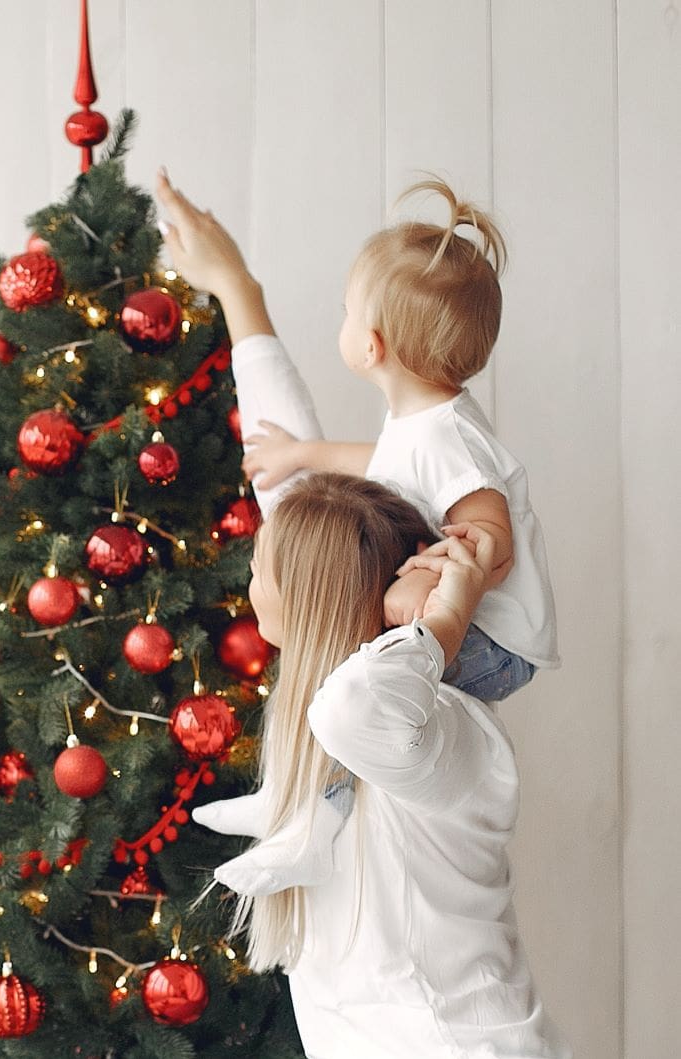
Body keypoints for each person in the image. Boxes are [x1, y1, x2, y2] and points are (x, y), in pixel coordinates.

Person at [152, 169, 559, 896]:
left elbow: (488, 533)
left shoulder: (455, 444)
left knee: (347, 679)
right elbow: (384, 462)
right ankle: (292, 799)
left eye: (344, 311)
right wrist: (302, 455)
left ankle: (309, 824)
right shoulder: (426, 421)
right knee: (340, 656)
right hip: (476, 633)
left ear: (369, 346)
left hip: (495, 647)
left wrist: (430, 584)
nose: (340, 321)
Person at [194, 473, 570, 1058]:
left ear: (306, 592)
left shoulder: (441, 726)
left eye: (258, 566)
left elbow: (351, 710)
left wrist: (443, 625)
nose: (248, 579)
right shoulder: (360, 729)